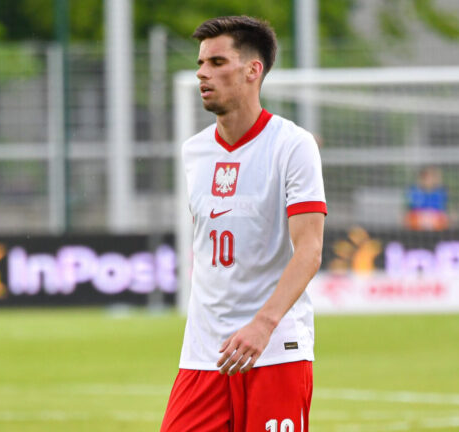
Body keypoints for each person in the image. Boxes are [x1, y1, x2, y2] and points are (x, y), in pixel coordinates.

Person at [160, 16, 327, 432]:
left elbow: (309, 249)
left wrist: (263, 324)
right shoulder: (194, 152)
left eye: (217, 62)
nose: (202, 72)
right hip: (204, 355)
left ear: (253, 70)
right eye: (201, 63)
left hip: (275, 350)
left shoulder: (293, 146)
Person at [403, 166, 448, 230]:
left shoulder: (440, 192)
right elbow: (411, 210)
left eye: (431, 177)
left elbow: (441, 211)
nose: (429, 180)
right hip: (418, 220)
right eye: (426, 178)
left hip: (435, 220)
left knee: (441, 220)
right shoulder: (414, 191)